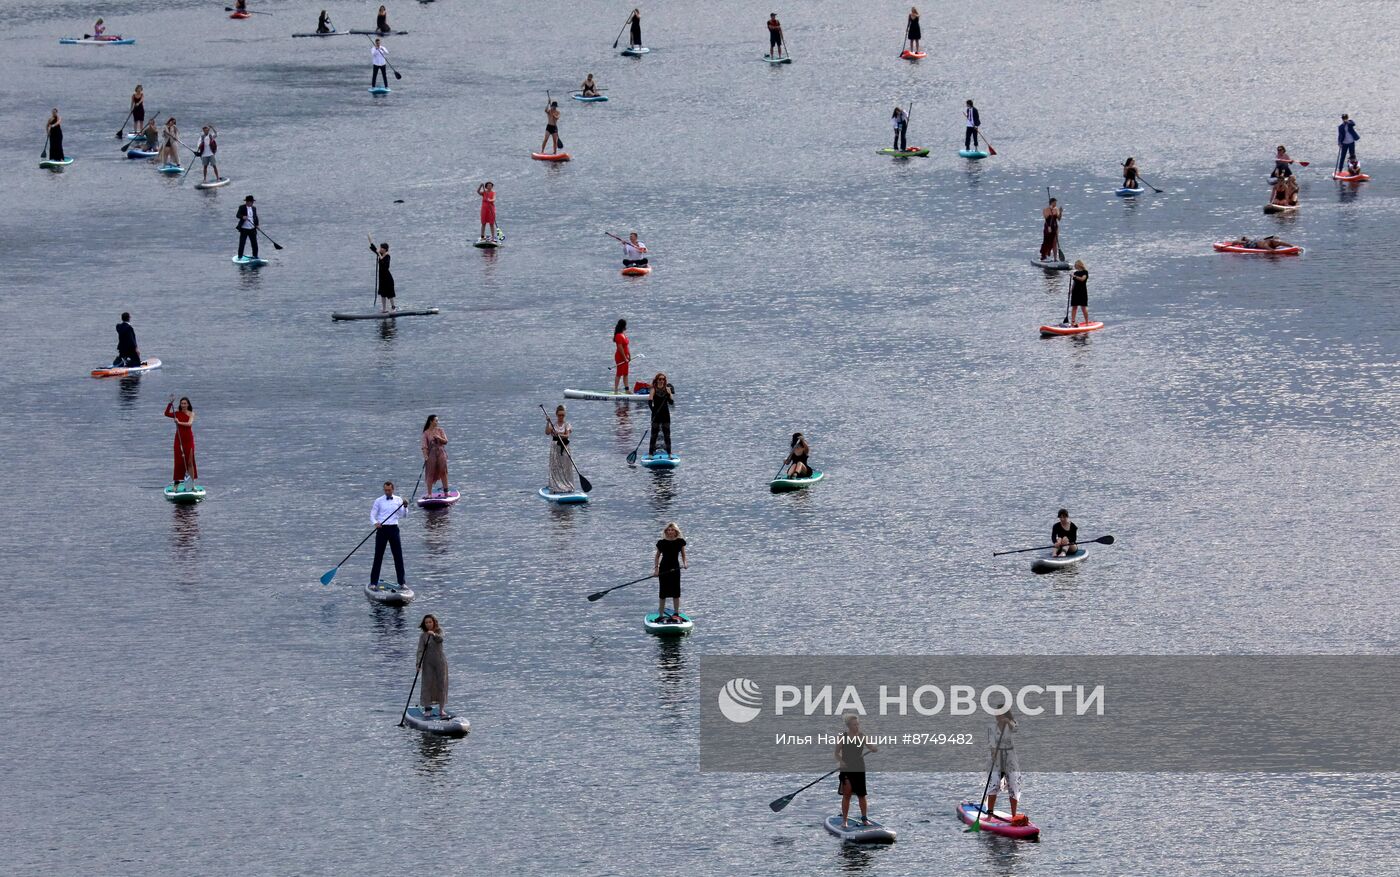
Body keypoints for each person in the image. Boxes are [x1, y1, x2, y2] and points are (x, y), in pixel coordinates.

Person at [835, 712, 878, 828]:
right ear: (849, 726)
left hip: (859, 768)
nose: (857, 727)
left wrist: (874, 748)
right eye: (854, 725)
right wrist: (841, 761)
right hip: (847, 769)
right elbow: (836, 753)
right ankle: (844, 821)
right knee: (847, 794)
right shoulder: (843, 737)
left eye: (858, 724)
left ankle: (864, 819)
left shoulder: (862, 736)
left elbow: (870, 746)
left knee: (861, 795)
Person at [983, 704, 1022, 818]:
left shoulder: (1012, 723)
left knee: (1013, 783)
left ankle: (1014, 815)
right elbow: (991, 743)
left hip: (1010, 757)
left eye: (999, 714)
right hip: (997, 758)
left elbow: (1015, 729)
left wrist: (1008, 722)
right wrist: (994, 753)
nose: (997, 716)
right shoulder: (992, 727)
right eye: (996, 714)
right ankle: (989, 814)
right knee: (994, 783)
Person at [369, 481, 408, 588]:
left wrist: (405, 507)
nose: (387, 492)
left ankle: (402, 583)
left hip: (394, 529)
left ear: (393, 489)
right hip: (382, 530)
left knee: (398, 556)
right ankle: (373, 583)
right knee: (378, 557)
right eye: (385, 490)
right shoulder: (378, 501)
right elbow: (372, 515)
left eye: (389, 490)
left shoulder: (398, 500)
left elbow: (404, 515)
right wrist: (375, 523)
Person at [416, 615, 452, 718]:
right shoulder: (423, 636)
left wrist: (434, 635)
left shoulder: (439, 631)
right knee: (427, 685)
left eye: (430, 622)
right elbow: (420, 651)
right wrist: (418, 664)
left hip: (440, 662)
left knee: (442, 684)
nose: (428, 624)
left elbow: (440, 640)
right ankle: (427, 709)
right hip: (428, 663)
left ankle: (441, 709)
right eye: (426, 623)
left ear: (434, 623)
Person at [652, 522, 688, 620]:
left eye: (672, 530)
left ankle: (676, 613)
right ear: (666, 531)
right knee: (663, 592)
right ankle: (660, 615)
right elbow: (657, 556)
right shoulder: (662, 543)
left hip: (675, 569)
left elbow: (683, 555)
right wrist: (656, 569)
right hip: (664, 569)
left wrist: (685, 564)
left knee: (676, 592)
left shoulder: (680, 542)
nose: (670, 532)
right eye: (668, 530)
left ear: (675, 531)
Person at [164, 396, 197, 487]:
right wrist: (170, 404)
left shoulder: (191, 414)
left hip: (188, 439)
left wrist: (179, 423)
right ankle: (177, 482)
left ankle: (192, 484)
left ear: (188, 404)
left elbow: (189, 423)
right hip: (179, 439)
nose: (183, 405)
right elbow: (166, 413)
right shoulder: (177, 413)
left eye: (185, 403)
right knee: (179, 461)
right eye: (182, 404)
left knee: (190, 462)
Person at [545, 405, 576, 494]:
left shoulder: (567, 425)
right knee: (555, 467)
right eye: (559, 415)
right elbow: (547, 432)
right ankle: (556, 486)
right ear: (556, 415)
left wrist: (558, 434)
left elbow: (567, 435)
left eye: (562, 415)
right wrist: (547, 422)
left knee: (565, 467)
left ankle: (568, 486)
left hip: (565, 447)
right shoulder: (553, 425)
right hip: (555, 448)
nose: (561, 417)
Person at [647, 372, 674, 456]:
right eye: (660, 379)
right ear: (657, 380)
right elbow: (649, 403)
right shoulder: (653, 389)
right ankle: (651, 453)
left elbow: (671, 403)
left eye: (663, 379)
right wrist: (654, 412)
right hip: (656, 415)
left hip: (665, 415)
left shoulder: (667, 389)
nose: (661, 381)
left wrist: (670, 394)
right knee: (654, 435)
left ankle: (669, 453)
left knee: (667, 435)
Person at [421, 415, 449, 497]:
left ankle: (446, 492)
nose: (437, 422)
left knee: (443, 471)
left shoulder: (440, 430)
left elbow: (446, 441)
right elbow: (424, 446)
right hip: (431, 454)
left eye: (437, 421)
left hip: (441, 452)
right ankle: (429, 493)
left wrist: (439, 438)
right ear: (431, 421)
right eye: (436, 420)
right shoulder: (426, 433)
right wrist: (425, 456)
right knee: (430, 472)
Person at [368, 236, 396, 311]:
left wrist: (379, 255)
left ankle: (393, 307)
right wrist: (370, 241)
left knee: (390, 294)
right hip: (382, 278)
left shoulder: (387, 256)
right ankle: (384, 309)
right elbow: (374, 249)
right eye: (380, 248)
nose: (380, 249)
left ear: (385, 249)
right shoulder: (380, 253)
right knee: (383, 294)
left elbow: (385, 265)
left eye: (381, 248)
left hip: (388, 278)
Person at [612, 319, 632, 394]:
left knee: (626, 373)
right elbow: (620, 348)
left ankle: (627, 390)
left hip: (625, 356)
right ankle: (616, 390)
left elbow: (626, 346)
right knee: (619, 373)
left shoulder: (623, 335)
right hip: (620, 357)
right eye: (625, 325)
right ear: (623, 326)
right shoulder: (618, 336)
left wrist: (629, 355)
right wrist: (624, 358)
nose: (626, 327)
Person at [1067, 261, 1089, 326]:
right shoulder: (1075, 273)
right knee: (1074, 307)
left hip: (1082, 291)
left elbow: (1082, 279)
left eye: (1075, 264)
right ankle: (1073, 322)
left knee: (1083, 307)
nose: (1074, 266)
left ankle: (1087, 322)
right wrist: (1071, 290)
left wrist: (1074, 276)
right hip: (1075, 292)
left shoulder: (1085, 272)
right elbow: (1074, 283)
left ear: (1079, 265)